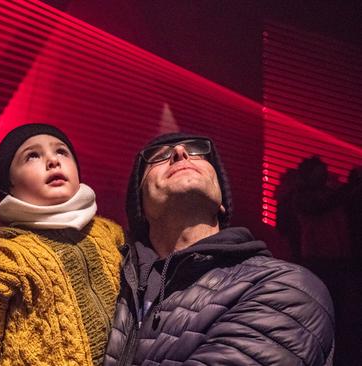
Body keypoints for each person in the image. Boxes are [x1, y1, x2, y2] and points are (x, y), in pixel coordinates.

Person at [103, 133, 335, 365]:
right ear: (139, 207)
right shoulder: (109, 282)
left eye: (197, 153)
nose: (180, 153)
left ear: (221, 200)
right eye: (159, 156)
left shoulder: (284, 285)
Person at [0, 124, 124, 365]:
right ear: (9, 183)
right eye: (32, 156)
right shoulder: (6, 254)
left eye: (62, 152)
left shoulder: (111, 233)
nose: (52, 161)